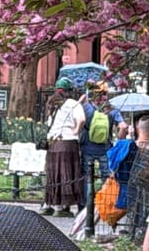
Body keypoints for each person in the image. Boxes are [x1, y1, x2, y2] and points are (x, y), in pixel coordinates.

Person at [39, 78, 85, 217]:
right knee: (66, 174)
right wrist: (76, 130)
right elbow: (81, 119)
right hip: (68, 142)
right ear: (69, 91)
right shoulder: (72, 103)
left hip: (53, 143)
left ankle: (49, 204)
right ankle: (61, 208)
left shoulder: (52, 103)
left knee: (54, 174)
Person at [80, 87, 127, 205]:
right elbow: (123, 126)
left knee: (86, 176)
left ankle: (86, 205)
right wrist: (120, 138)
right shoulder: (113, 110)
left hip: (87, 145)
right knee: (106, 175)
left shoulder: (86, 107)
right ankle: (106, 203)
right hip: (105, 147)